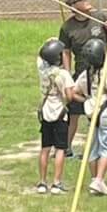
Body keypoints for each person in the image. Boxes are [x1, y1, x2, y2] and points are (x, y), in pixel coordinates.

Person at [57, 0, 107, 157]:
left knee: (97, 112)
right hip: (82, 72)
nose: (87, 0)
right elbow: (65, 51)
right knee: (74, 111)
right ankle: (66, 147)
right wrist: (67, 73)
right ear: (73, 6)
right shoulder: (67, 27)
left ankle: (94, 149)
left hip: (103, 71)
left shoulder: (100, 18)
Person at [72, 37, 107, 196]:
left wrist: (86, 99)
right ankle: (98, 180)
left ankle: (95, 180)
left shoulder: (85, 74)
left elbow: (73, 92)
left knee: (93, 149)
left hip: (92, 113)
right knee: (106, 147)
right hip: (105, 112)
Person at [36, 38, 74, 194]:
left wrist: (48, 43)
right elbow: (69, 96)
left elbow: (40, 57)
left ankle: (42, 182)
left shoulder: (42, 71)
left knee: (45, 148)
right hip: (59, 113)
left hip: (45, 112)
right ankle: (56, 183)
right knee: (60, 149)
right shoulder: (63, 74)